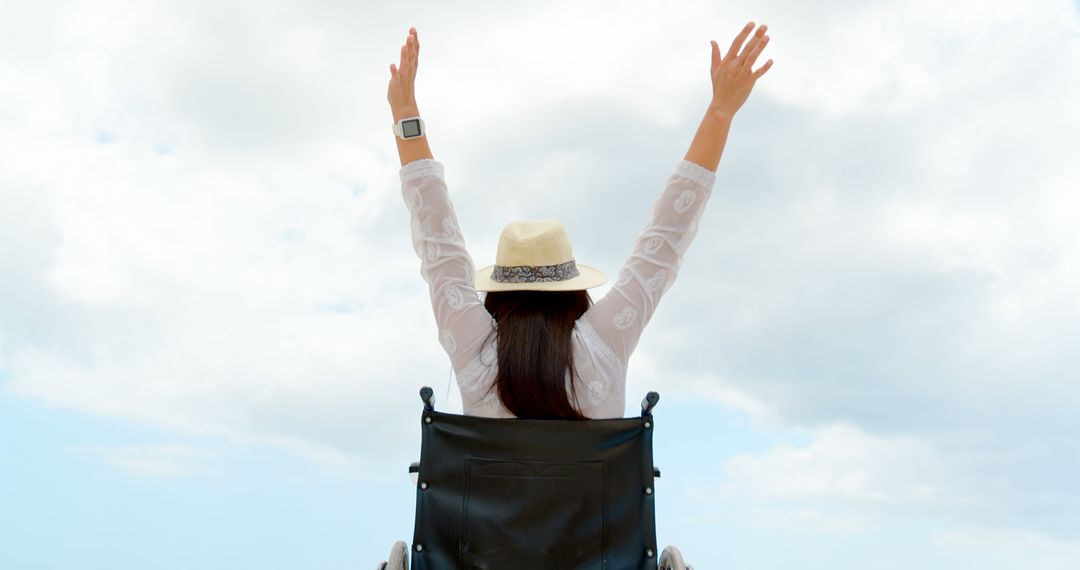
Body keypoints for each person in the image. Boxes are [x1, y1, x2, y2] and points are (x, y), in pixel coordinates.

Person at [387, 22, 772, 420]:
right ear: (573, 289)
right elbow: (667, 236)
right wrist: (720, 112)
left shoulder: (473, 348)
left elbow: (438, 246)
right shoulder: (605, 341)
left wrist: (405, 114)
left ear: (498, 293)